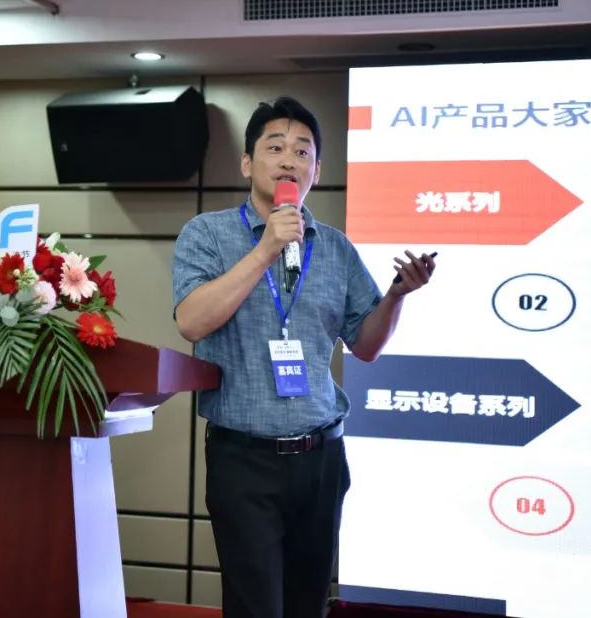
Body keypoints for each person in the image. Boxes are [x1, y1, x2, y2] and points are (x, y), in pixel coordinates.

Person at [172, 96, 435, 618]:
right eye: (275, 148)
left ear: (317, 170)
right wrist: (265, 249)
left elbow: (367, 346)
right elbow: (192, 322)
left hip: (321, 457)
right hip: (244, 458)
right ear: (247, 163)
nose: (289, 160)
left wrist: (396, 296)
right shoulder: (207, 235)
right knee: (255, 607)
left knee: (308, 605)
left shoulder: (335, 248)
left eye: (302, 151)